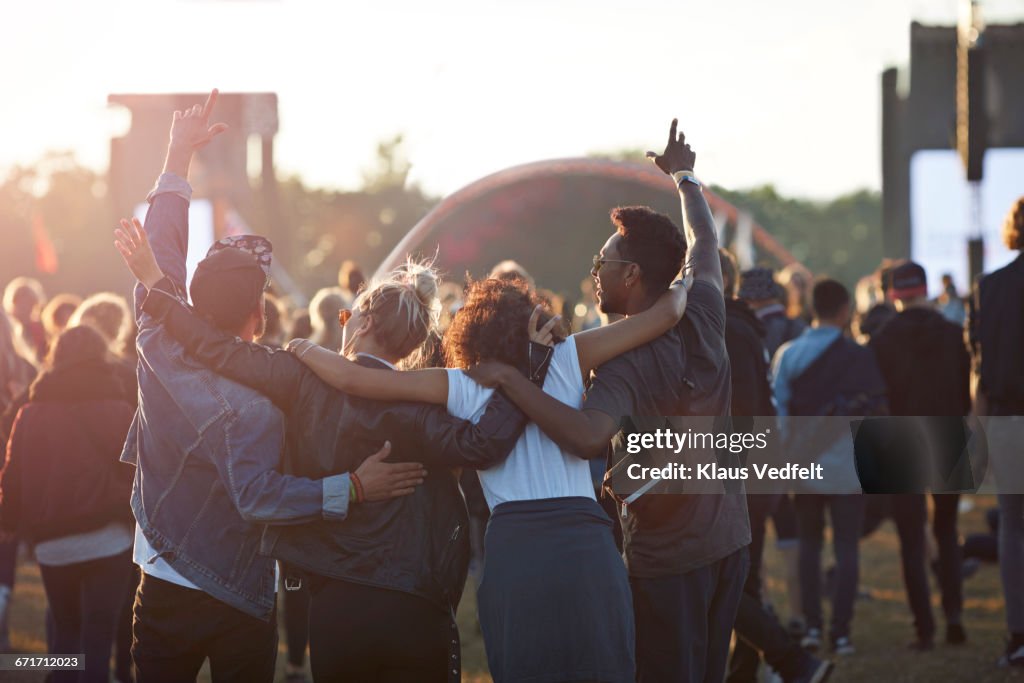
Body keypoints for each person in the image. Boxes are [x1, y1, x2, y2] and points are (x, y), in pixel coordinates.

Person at [122, 195, 563, 680]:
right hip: (413, 601)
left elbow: (216, 349)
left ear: (365, 322)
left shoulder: (297, 375)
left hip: (336, 601)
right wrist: (530, 368)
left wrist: (157, 289)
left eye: (349, 315)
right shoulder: (420, 402)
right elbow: (481, 445)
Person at [377, 121, 747, 683]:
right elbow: (704, 242)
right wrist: (685, 179)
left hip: (669, 555)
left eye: (603, 267)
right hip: (729, 537)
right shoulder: (703, 309)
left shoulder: (620, 363)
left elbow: (587, 436)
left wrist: (511, 377)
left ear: (633, 274)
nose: (593, 276)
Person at [115, 90, 421, 683]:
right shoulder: (265, 401)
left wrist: (177, 157)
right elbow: (259, 497)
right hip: (238, 590)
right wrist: (353, 488)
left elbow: (165, 252)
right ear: (259, 316)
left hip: (161, 572)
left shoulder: (159, 333)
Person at [291, 265, 688, 683]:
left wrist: (298, 347)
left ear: (469, 330)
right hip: (585, 542)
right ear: (531, 319)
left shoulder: (462, 384)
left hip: (516, 546)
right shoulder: (568, 355)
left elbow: (352, 378)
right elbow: (666, 315)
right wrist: (687, 276)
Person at [719, 250, 832, 683]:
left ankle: (790, 659)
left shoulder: (723, 328)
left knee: (722, 578)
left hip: (736, 469)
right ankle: (747, 671)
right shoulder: (747, 326)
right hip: (761, 464)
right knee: (743, 578)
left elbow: (739, 410)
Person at [1, 325, 135, 683]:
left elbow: (12, 478)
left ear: (55, 359)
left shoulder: (30, 413)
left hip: (52, 545)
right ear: (101, 358)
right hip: (110, 539)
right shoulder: (120, 409)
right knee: (96, 640)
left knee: (64, 641)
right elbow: (138, 475)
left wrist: (11, 525)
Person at [772, 278, 887, 657]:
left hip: (803, 466)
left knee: (808, 546)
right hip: (847, 469)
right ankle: (841, 633)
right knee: (846, 549)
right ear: (844, 310)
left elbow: (781, 414)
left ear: (812, 308)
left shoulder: (788, 354)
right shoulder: (859, 355)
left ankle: (811, 627)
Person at [868, 260, 971, 650]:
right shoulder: (953, 333)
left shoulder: (881, 339)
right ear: (926, 290)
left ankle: (924, 629)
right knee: (946, 532)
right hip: (949, 433)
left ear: (893, 294)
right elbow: (966, 388)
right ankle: (955, 617)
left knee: (911, 539)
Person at [967, 195, 1024, 668]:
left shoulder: (989, 286)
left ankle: (1017, 634)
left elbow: (980, 367)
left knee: (1013, 527)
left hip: (1005, 420)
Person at [2, 277, 47, 362]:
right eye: (21, 302)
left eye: (29, 302)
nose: (25, 307)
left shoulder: (39, 329)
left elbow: (44, 356)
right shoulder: (5, 328)